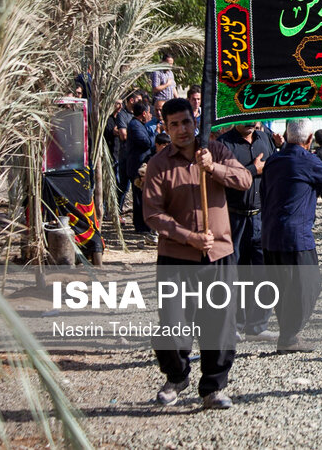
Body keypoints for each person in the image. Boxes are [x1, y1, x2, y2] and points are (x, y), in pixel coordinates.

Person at [142, 97, 252, 410]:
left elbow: (244, 180)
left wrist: (213, 168)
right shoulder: (159, 165)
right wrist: (188, 237)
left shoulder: (215, 151)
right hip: (177, 258)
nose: (181, 130)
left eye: (186, 122)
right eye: (173, 124)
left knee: (219, 322)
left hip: (218, 255)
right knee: (172, 323)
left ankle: (213, 387)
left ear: (195, 122)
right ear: (165, 127)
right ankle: (176, 376)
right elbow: (152, 213)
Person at [261, 119, 322, 353]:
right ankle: (290, 336)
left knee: (281, 288)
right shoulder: (306, 160)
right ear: (309, 140)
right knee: (309, 286)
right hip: (295, 236)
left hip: (271, 233)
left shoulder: (273, 160)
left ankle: (287, 336)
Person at [217, 121, 278, 341]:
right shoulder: (224, 144)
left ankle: (258, 326)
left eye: (253, 118)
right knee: (233, 273)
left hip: (261, 216)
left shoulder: (265, 139)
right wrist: (254, 169)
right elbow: (223, 178)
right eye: (246, 118)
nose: (251, 122)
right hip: (233, 217)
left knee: (264, 272)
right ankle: (233, 325)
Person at [125, 102, 155, 242]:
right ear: (144, 113)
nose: (150, 115)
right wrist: (155, 136)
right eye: (149, 112)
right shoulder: (134, 125)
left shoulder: (138, 125)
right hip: (136, 166)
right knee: (138, 197)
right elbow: (146, 142)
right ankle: (141, 225)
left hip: (140, 165)